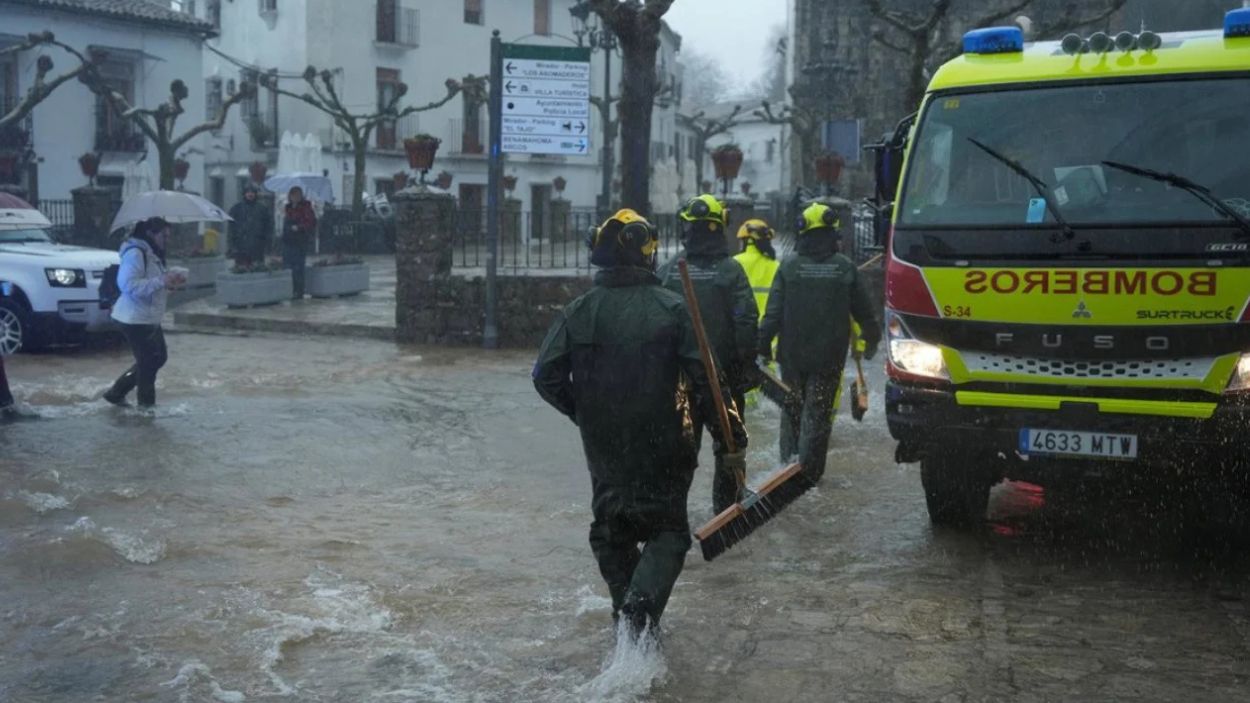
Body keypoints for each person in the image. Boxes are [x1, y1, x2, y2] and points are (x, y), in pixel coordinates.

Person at [533, 209, 748, 640]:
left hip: (605, 449)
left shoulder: (580, 311)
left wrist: (586, 413)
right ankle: (638, 615)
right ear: (647, 255)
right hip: (666, 445)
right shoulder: (672, 308)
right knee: (667, 531)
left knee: (612, 531)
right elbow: (707, 380)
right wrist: (733, 438)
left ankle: (630, 624)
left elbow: (545, 376)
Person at [758, 202, 881, 483]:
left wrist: (762, 346)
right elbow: (867, 315)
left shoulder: (788, 267)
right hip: (829, 358)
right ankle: (810, 477)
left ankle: (785, 472)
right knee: (819, 415)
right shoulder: (845, 268)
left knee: (792, 408)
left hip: (791, 356)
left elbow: (773, 314)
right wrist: (871, 342)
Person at [657, 194, 758, 513]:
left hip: (678, 384)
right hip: (722, 381)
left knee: (679, 451)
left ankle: (671, 521)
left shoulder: (669, 271)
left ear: (687, 228)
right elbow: (746, 320)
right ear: (720, 227)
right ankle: (726, 514)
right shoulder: (731, 271)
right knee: (730, 446)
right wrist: (746, 365)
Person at [104, 217, 184, 408]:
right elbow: (128, 285)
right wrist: (161, 281)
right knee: (149, 362)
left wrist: (169, 284)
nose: (167, 240)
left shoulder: (151, 253)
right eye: (163, 235)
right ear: (150, 233)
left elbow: (151, 284)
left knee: (158, 358)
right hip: (134, 318)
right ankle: (146, 411)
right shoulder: (135, 253)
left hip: (148, 317)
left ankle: (116, 393)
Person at [282, 186, 317, 298]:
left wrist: (299, 227)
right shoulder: (288, 208)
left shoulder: (306, 207)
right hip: (288, 241)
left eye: (297, 195)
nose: (295, 198)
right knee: (288, 266)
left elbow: (310, 223)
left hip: (300, 241)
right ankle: (291, 289)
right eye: (293, 195)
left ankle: (299, 290)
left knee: (298, 267)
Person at [227, 185, 273, 266]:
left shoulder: (262, 209)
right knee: (241, 270)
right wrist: (232, 246)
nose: (250, 194)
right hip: (240, 247)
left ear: (255, 194)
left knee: (257, 270)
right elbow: (231, 229)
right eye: (248, 192)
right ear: (244, 194)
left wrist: (268, 245)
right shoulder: (236, 209)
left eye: (252, 192)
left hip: (258, 247)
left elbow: (268, 228)